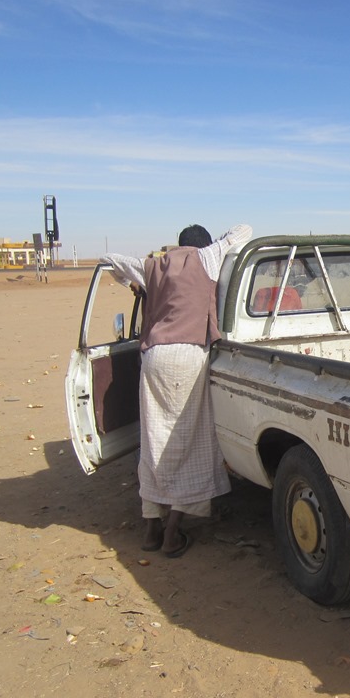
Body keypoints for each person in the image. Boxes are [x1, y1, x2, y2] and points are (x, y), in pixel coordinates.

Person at [102, 223, 253, 557]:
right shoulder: (208, 257)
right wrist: (221, 242)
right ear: (202, 245)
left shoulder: (153, 265)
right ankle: (173, 532)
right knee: (190, 441)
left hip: (154, 356)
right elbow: (245, 230)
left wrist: (132, 279)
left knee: (153, 439)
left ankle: (151, 526)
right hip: (189, 356)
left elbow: (110, 259)